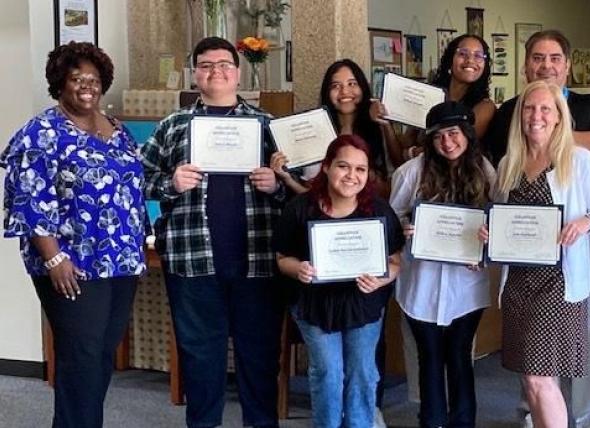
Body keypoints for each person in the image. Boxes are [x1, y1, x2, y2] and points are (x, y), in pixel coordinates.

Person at [140, 36, 286, 428]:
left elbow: (302, 190)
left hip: (257, 266)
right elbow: (135, 179)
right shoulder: (173, 126)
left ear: (237, 72)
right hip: (192, 265)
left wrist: (277, 186)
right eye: (206, 65)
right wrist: (171, 182)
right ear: (195, 74)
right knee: (201, 363)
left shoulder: (267, 126)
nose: (215, 71)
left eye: (223, 64)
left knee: (259, 361)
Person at [484, 29, 590, 428]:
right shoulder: (510, 161)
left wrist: (585, 222)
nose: (536, 116)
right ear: (525, 64)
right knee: (531, 379)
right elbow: (499, 211)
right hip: (520, 280)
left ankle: (589, 412)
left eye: (546, 111)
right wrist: (490, 234)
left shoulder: (577, 156)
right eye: (531, 110)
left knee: (541, 375)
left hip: (560, 278)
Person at [0, 42, 145, 428]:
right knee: (80, 355)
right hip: (71, 263)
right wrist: (53, 258)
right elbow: (28, 200)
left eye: (94, 80)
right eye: (77, 78)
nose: (87, 86)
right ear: (59, 84)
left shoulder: (117, 129)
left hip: (120, 260)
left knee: (100, 355)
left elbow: (133, 186)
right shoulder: (40, 132)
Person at [274, 135, 404, 428]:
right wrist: (300, 269)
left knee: (362, 372)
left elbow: (396, 262)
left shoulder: (379, 210)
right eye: (343, 166)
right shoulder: (300, 208)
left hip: (363, 303)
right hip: (314, 304)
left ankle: (360, 424)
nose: (351, 176)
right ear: (327, 167)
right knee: (328, 373)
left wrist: (382, 281)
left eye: (360, 169)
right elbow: (282, 259)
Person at [389, 101, 496, 428]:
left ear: (466, 133)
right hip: (420, 282)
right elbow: (390, 218)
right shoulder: (411, 172)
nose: (447, 143)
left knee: (460, 356)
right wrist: (404, 228)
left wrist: (486, 245)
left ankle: (463, 422)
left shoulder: (485, 170)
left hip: (467, 283)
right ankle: (431, 421)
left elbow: (498, 222)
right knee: (430, 358)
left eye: (453, 134)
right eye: (438, 137)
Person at [373, 34, 496, 166]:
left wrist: (412, 153)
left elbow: (452, 151)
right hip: (417, 181)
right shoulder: (429, 97)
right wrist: (385, 123)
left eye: (478, 56)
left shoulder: (485, 107)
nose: (470, 60)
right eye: (463, 53)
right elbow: (399, 159)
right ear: (450, 59)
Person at [271, 59, 390, 195]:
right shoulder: (315, 131)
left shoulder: (377, 129)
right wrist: (287, 179)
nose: (345, 91)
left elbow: (388, 187)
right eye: (336, 86)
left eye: (352, 84)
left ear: (362, 87)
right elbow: (311, 195)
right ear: (327, 92)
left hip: (369, 213)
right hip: (321, 214)